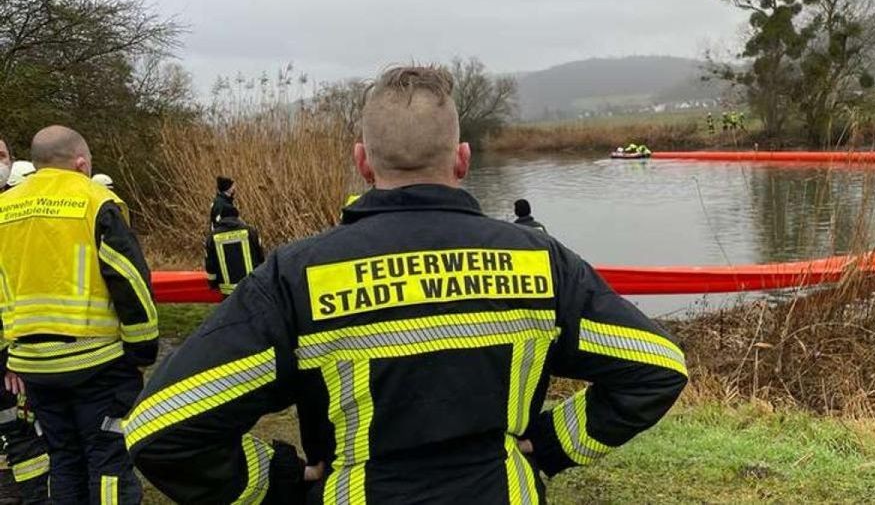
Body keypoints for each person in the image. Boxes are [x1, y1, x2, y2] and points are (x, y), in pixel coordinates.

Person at [127, 66, 687, 503]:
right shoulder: (539, 260)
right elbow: (657, 368)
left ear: (363, 162)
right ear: (462, 160)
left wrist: (285, 481)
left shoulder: (296, 276)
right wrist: (549, 445)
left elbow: (162, 428)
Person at [0, 125, 158, 504]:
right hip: (98, 362)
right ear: (82, 163)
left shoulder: (5, 209)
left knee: (63, 457)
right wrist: (142, 352)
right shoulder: (96, 201)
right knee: (108, 457)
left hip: (33, 366)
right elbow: (130, 281)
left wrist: (8, 354)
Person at [0, 137, 51, 504]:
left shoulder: (17, 215)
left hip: (14, 353)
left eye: (1, 155)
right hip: (7, 355)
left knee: (23, 433)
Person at [204, 206, 266, 296]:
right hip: (250, 285)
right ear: (237, 216)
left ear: (221, 218)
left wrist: (213, 283)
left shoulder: (212, 237)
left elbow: (210, 264)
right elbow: (260, 257)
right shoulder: (250, 231)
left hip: (227, 290)